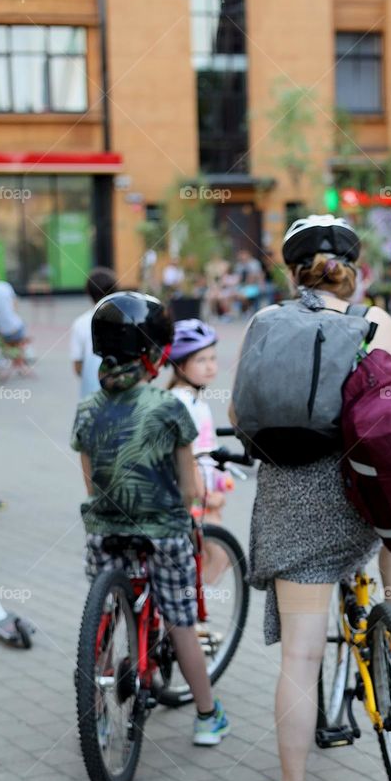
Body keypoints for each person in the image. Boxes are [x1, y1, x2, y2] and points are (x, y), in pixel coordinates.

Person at [230, 214, 391, 781]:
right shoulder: (376, 322)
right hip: (362, 501)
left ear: (290, 271)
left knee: (300, 661)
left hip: (293, 511)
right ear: (355, 270)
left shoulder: (264, 323)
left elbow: (239, 413)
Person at [70, 291, 229, 747]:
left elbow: (90, 485)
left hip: (104, 530)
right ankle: (205, 716)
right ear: (154, 355)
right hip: (163, 532)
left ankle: (97, 712)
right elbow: (191, 489)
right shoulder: (168, 408)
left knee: (103, 616)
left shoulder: (86, 410)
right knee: (181, 621)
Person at [166, 320, 230, 522]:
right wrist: (206, 496)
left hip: (204, 490)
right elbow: (189, 457)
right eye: (201, 360)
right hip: (196, 496)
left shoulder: (194, 399)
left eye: (213, 358)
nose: (210, 366)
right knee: (216, 551)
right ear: (180, 365)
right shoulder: (182, 402)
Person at [70, 266, 119, 400]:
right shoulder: (125, 319)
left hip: (91, 396)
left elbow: (77, 367)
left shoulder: (80, 323)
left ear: (88, 293)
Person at [0, 264, 32, 372]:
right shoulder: (4, 286)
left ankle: (7, 359)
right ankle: (21, 362)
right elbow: (15, 306)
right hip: (15, 329)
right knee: (19, 328)